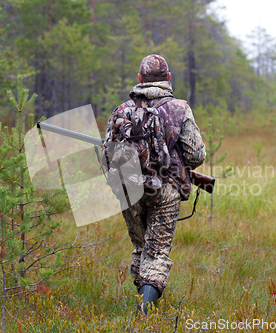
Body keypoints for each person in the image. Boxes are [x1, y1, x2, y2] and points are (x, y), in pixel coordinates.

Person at [105, 54, 206, 315]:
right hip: (165, 190)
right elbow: (196, 155)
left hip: (129, 189)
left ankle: (143, 304)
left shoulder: (121, 110)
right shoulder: (179, 108)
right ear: (168, 79)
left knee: (141, 248)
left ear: (140, 79)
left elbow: (107, 156)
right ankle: (145, 312)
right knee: (157, 252)